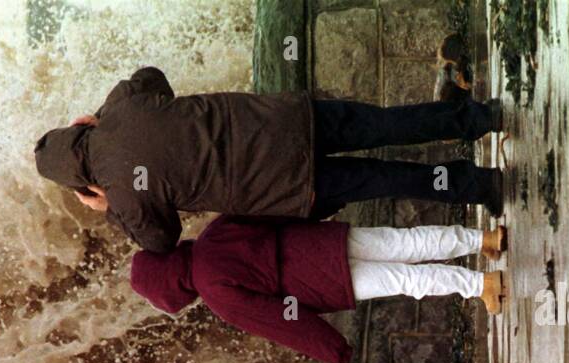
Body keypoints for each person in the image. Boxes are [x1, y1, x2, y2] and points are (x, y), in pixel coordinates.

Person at [34, 66, 506, 253]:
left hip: (286, 183)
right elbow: (152, 76)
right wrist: (100, 116)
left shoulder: (125, 198)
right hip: (286, 121)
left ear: (82, 186)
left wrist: (108, 209)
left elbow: (162, 242)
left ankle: (478, 185)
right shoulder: (121, 105)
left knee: (382, 178)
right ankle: (480, 116)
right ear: (77, 127)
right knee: (384, 124)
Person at [128, 215, 507, 363]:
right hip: (322, 240)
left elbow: (285, 321)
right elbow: (269, 210)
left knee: (405, 281)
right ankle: (483, 238)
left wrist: (333, 349)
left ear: (172, 290)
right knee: (403, 242)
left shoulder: (218, 295)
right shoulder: (213, 234)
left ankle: (481, 284)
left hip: (323, 283)